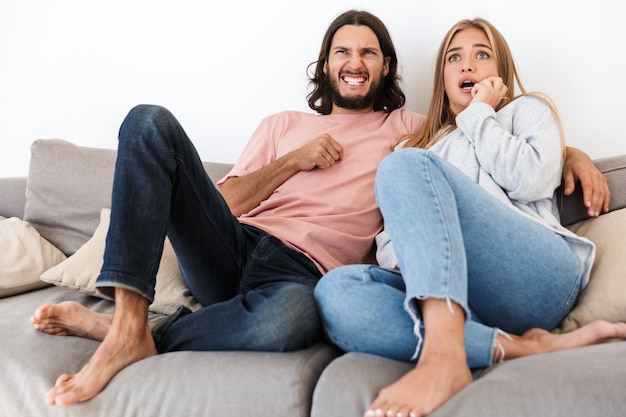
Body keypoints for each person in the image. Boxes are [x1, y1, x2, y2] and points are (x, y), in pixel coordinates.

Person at [30, 10, 606, 408]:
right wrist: (292, 162)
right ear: (326, 65)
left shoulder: (409, 133)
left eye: (368, 53)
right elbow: (224, 203)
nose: (355, 62)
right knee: (148, 121)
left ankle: (147, 336)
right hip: (234, 247)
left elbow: (489, 147)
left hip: (299, 271)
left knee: (294, 315)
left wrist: (571, 154)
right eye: (342, 52)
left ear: (386, 68)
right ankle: (129, 323)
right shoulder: (283, 125)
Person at [314, 18, 625, 417]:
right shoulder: (419, 145)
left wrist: (480, 113)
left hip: (534, 274)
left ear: (501, 71)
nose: (467, 66)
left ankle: (443, 360)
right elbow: (392, 242)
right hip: (460, 294)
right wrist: (427, 266)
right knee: (335, 293)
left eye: (482, 55)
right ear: (441, 76)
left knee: (405, 166)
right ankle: (521, 346)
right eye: (454, 58)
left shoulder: (528, 110)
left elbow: (530, 181)